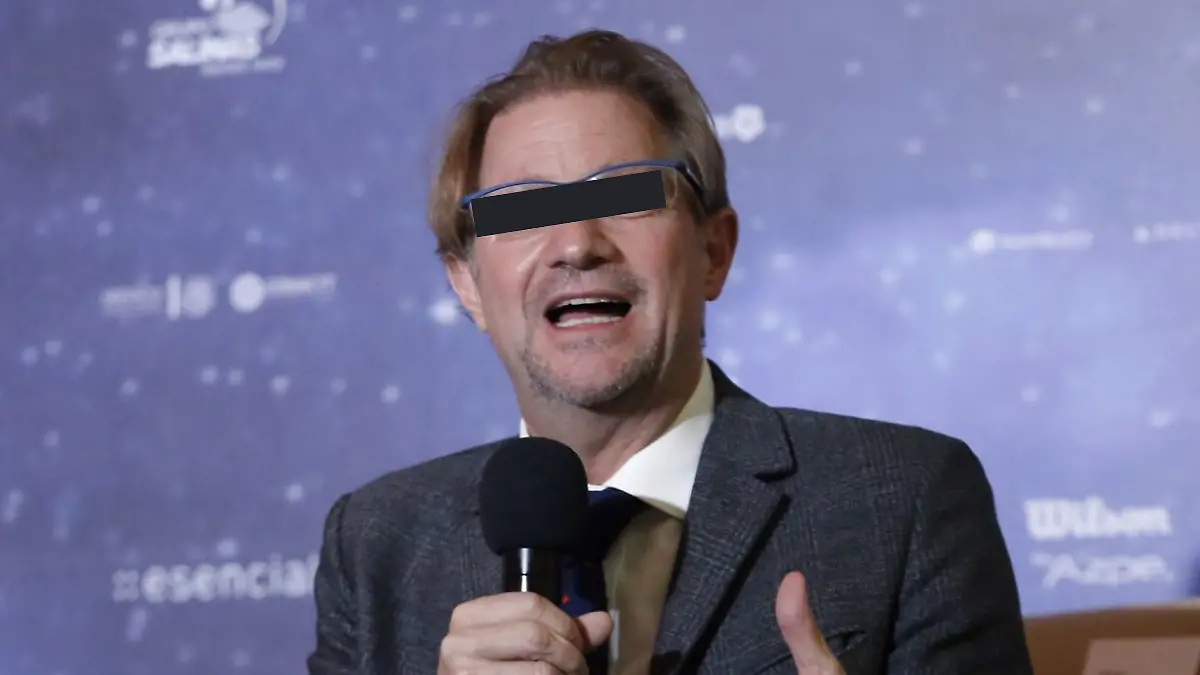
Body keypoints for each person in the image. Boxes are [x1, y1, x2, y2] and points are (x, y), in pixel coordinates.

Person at [306, 29, 1034, 675]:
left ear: (713, 251)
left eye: (626, 196)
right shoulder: (376, 545)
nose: (576, 244)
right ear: (467, 284)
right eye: (524, 209)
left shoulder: (902, 501)